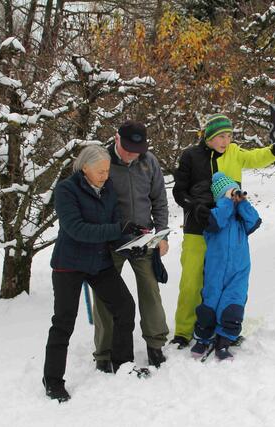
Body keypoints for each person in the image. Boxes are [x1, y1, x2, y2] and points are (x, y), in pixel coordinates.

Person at [171, 113, 275, 348]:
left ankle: (219, 327)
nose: (226, 141)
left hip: (226, 231)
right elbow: (179, 191)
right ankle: (183, 332)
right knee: (192, 281)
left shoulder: (234, 153)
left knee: (223, 281)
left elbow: (258, 157)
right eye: (221, 136)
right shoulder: (191, 156)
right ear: (209, 137)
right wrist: (194, 207)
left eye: (229, 136)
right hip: (197, 229)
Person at [42, 145, 148, 403]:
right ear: (84, 168)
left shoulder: (108, 188)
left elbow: (113, 227)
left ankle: (122, 364)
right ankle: (53, 380)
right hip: (69, 263)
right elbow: (77, 229)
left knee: (124, 306)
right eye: (100, 171)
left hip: (99, 261)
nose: (105, 175)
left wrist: (127, 245)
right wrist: (117, 229)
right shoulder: (66, 190)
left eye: (108, 170)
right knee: (64, 321)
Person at [91, 121, 171, 372]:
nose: (132, 154)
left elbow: (159, 199)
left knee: (150, 289)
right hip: (110, 240)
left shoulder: (149, 162)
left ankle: (155, 343)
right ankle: (104, 352)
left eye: (137, 149)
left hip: (143, 237)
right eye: (127, 149)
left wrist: (161, 235)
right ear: (116, 139)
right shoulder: (101, 162)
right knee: (105, 296)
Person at [190, 172, 261, 360]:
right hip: (216, 269)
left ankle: (224, 340)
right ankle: (203, 338)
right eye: (230, 193)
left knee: (233, 304)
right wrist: (227, 200)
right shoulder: (213, 214)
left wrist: (243, 202)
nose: (235, 197)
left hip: (239, 270)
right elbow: (215, 222)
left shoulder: (241, 219)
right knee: (210, 304)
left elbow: (255, 222)